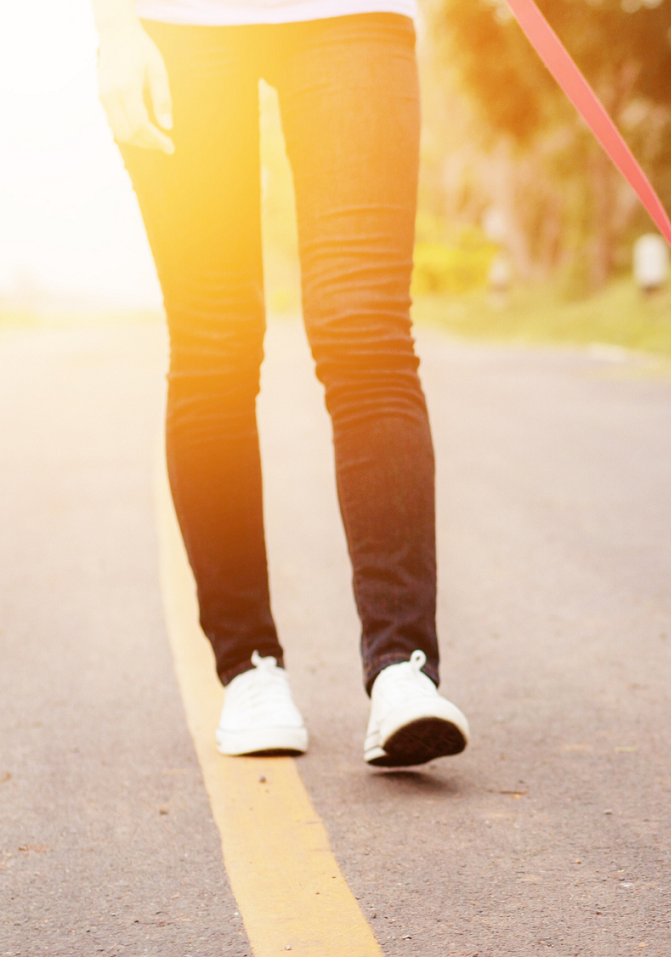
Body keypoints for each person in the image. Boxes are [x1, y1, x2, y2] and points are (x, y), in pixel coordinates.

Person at [93, 0, 469, 766]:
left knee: (366, 329)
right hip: (179, 24)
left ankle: (404, 666)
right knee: (214, 339)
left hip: (353, 17)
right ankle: (249, 669)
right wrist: (114, 28)